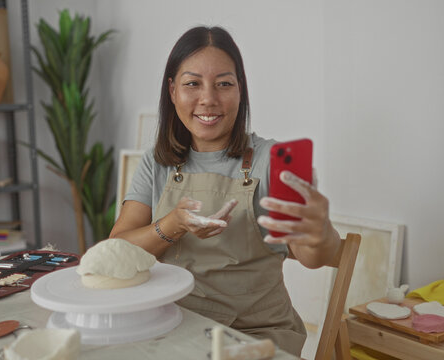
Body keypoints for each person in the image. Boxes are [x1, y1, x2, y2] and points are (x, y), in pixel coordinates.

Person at [110, 26, 341, 356]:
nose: (209, 99)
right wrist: (173, 224)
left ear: (240, 90)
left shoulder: (269, 160)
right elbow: (118, 249)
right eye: (193, 84)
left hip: (255, 336)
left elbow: (314, 257)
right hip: (175, 325)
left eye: (224, 84)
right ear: (173, 91)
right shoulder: (157, 163)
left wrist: (319, 233)